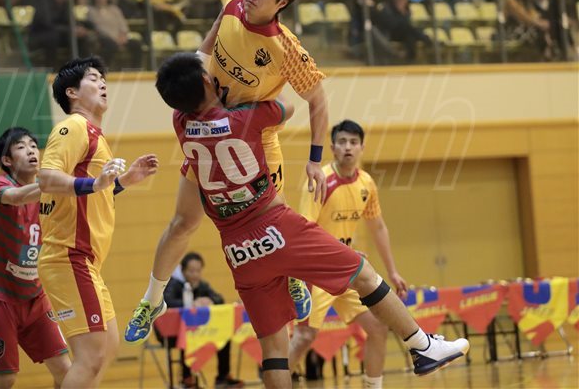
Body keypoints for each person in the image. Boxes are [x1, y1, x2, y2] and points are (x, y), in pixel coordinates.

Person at [149, 52, 469, 388]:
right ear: (205, 80)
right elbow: (286, 106)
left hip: (237, 249)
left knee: (274, 350)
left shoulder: (181, 124)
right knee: (365, 276)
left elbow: (190, 88)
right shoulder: (244, 117)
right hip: (274, 225)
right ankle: (421, 346)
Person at [124, 0, 331, 344]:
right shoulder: (235, 3)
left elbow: (318, 100)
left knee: (275, 224)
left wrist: (314, 158)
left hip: (255, 139)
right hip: (206, 132)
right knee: (182, 223)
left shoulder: (287, 50)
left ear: (282, 3)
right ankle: (153, 299)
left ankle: (293, 278)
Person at [37, 56, 159, 388]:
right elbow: (47, 178)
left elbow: (89, 195)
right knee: (91, 355)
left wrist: (124, 181)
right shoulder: (73, 126)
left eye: (103, 78)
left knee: (106, 347)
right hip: (69, 256)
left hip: (86, 260)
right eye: (93, 78)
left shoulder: (94, 135)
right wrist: (96, 183)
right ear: (72, 92)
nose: (103, 83)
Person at [287, 120, 408, 389]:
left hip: (346, 271)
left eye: (353, 142)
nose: (348, 147)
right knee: (304, 337)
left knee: (378, 327)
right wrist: (344, 252)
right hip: (316, 272)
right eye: (342, 142)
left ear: (362, 147)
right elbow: (305, 231)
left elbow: (378, 227)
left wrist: (392, 271)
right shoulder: (319, 181)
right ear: (332, 147)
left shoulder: (367, 183)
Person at [0, 127, 71, 389]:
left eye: (33, 145)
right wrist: (59, 183)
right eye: (21, 147)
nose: (30, 150)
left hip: (35, 296)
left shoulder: (50, 195)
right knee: (6, 377)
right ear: (7, 160)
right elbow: (17, 197)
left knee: (66, 371)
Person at [159, 252, 243, 388]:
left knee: (224, 335)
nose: (195, 275)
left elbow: (219, 298)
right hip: (171, 333)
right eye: (191, 271)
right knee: (188, 335)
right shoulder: (173, 284)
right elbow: (167, 302)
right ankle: (187, 377)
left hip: (198, 331)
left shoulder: (202, 285)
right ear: (183, 270)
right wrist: (191, 303)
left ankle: (223, 377)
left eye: (198, 271)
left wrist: (210, 300)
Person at [87, 0, 143, 68]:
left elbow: (123, 24)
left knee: (136, 43)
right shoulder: (91, 11)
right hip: (104, 38)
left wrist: (123, 35)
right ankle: (105, 69)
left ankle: (136, 69)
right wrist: (113, 38)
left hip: (119, 38)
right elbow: (97, 28)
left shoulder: (115, 9)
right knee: (110, 44)